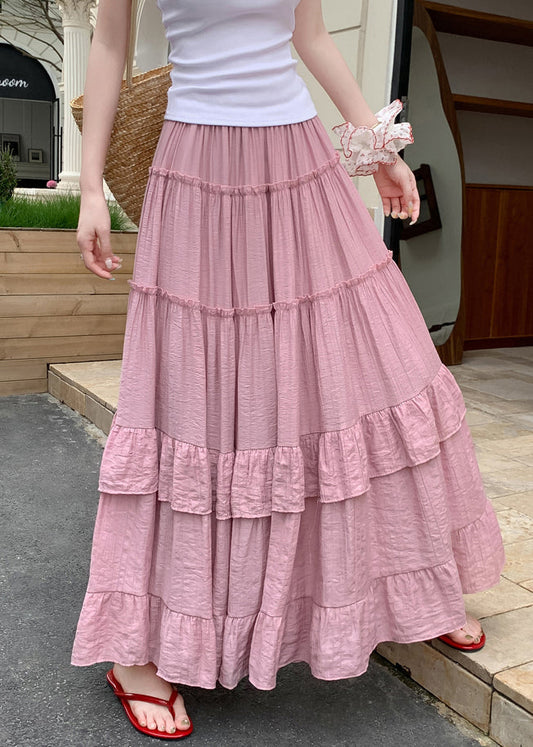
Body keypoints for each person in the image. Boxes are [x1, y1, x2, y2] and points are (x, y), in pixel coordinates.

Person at [73, 0, 505, 739]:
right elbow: (109, 47)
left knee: (379, 356)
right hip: (197, 165)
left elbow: (310, 36)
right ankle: (138, 653)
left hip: (298, 157)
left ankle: (412, 586)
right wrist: (90, 190)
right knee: (197, 397)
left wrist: (377, 149)